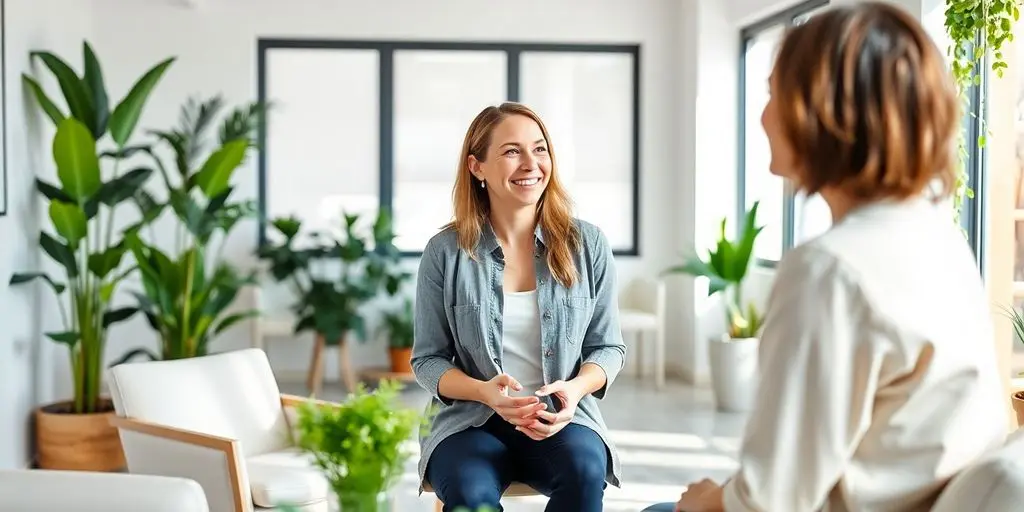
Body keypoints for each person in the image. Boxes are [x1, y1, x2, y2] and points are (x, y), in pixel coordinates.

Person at [645, 3, 1007, 511]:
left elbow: (770, 501)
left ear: (824, 113)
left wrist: (703, 502)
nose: (764, 115)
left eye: (773, 93)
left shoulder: (830, 269)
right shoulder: (939, 239)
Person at [411, 102, 626, 512]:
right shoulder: (445, 252)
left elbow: (608, 348)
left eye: (540, 148)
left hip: (561, 422)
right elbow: (428, 360)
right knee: (468, 493)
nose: (531, 163)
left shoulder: (588, 245)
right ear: (477, 167)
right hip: (469, 424)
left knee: (584, 471)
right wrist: (484, 393)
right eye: (512, 151)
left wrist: (574, 389)